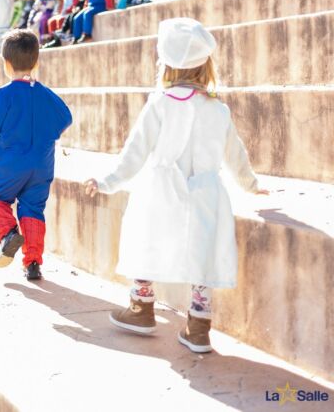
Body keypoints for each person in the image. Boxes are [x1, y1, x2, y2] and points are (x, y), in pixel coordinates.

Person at [83, 18, 269, 353]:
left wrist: (107, 181)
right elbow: (235, 154)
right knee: (203, 251)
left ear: (166, 64)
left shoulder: (159, 103)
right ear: (205, 65)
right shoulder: (218, 108)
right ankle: (198, 327)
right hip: (206, 191)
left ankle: (141, 307)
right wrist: (251, 184)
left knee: (146, 239)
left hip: (159, 189)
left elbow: (134, 153)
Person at [0, 29, 72, 280]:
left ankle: (9, 234)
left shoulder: (4, 94)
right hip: (42, 165)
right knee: (33, 210)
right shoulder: (46, 94)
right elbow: (65, 118)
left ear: (6, 65)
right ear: (37, 62)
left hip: (10, 164)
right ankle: (32, 263)